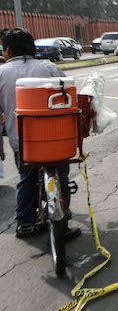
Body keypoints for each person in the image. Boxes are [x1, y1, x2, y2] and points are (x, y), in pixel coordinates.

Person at [0, 28, 81, 239]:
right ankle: (63, 220)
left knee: (26, 179)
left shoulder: (2, 73)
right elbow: (72, 96)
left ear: (8, 49)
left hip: (24, 143)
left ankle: (25, 222)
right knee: (61, 177)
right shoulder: (49, 67)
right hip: (57, 140)